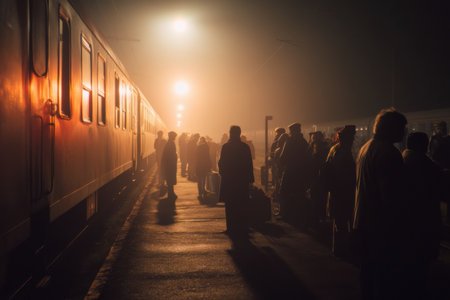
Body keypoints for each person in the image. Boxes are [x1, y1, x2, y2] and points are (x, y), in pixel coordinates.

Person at [353, 108, 408, 300]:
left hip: (362, 221)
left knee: (367, 275)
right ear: (391, 128)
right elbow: (390, 196)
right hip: (380, 227)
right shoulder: (389, 153)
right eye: (402, 127)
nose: (404, 132)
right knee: (384, 278)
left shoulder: (366, 148)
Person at [402, 132, 442, 299]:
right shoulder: (426, 165)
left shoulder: (401, 160)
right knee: (421, 263)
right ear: (423, 146)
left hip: (405, 221)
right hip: (424, 221)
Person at [323, 125, 356, 257]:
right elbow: (345, 175)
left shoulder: (334, 149)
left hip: (335, 191)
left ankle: (337, 248)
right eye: (353, 137)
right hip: (343, 192)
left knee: (338, 222)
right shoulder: (344, 153)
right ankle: (342, 251)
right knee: (343, 222)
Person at [219, 125, 254, 237]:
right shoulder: (245, 147)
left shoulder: (226, 147)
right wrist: (250, 179)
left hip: (229, 181)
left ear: (230, 133)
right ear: (239, 133)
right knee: (242, 205)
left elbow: (221, 163)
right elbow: (249, 164)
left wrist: (223, 174)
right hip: (242, 181)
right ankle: (243, 227)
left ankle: (231, 227)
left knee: (230, 206)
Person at [279, 122, 311, 223]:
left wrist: (281, 166)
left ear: (292, 131)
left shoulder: (289, 141)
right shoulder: (304, 142)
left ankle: (285, 215)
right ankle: (300, 216)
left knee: (284, 192)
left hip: (290, 171)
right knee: (299, 194)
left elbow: (282, 157)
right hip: (301, 173)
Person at [309, 131, 330, 226]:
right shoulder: (325, 149)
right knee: (321, 200)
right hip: (321, 179)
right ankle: (321, 217)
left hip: (317, 179)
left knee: (316, 200)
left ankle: (316, 218)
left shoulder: (314, 150)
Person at [161, 131, 178, 210]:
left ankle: (171, 193)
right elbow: (172, 155)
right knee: (170, 179)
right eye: (174, 136)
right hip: (170, 165)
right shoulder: (171, 144)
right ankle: (170, 194)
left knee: (170, 179)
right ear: (172, 136)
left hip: (169, 165)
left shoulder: (169, 143)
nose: (175, 138)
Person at [196, 137, 212, 201]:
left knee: (199, 179)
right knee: (204, 179)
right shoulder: (206, 147)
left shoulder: (198, 147)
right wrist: (210, 165)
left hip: (199, 165)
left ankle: (200, 192)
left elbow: (196, 157)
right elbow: (208, 156)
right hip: (204, 165)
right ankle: (203, 190)